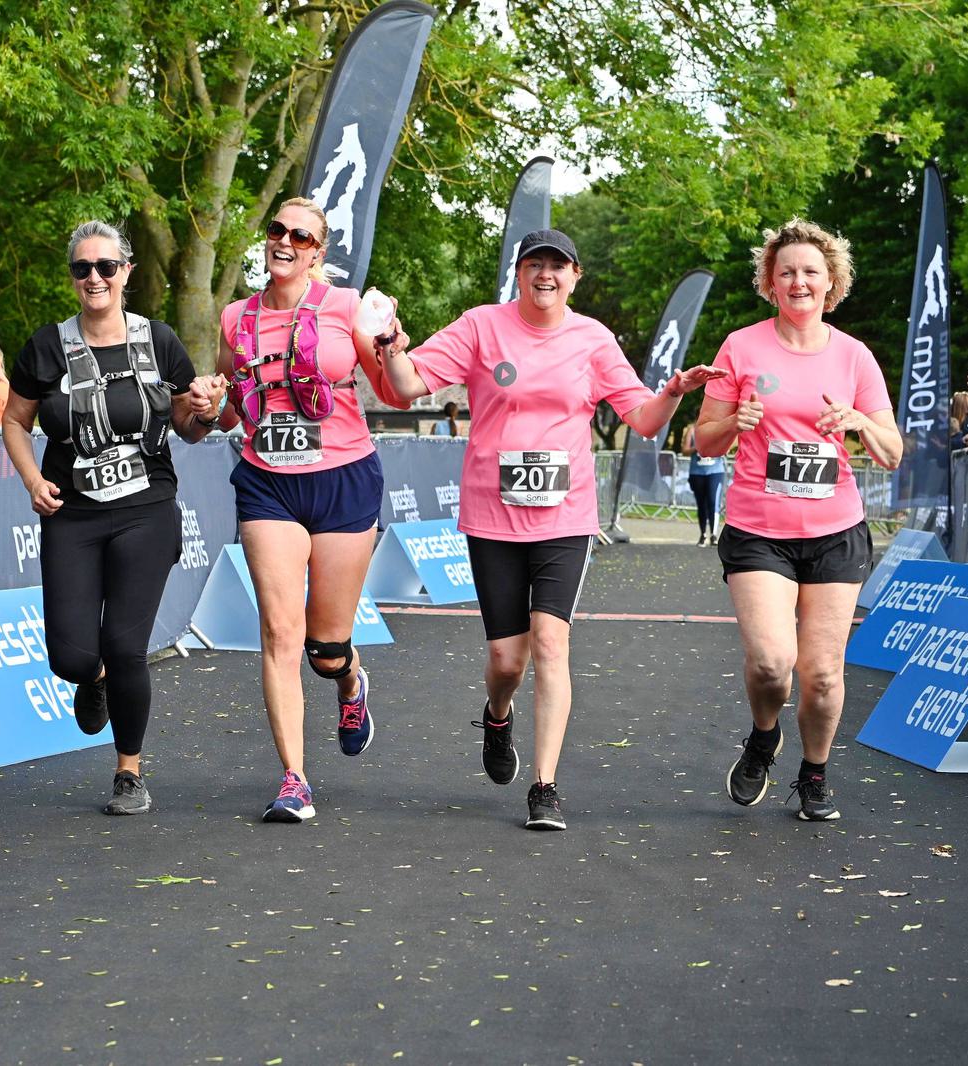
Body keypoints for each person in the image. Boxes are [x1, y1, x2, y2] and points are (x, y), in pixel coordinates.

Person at [377, 228, 726, 830]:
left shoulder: (593, 340)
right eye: (535, 264)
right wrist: (387, 344)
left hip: (564, 520)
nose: (546, 275)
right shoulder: (482, 326)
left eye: (558, 267)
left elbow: (642, 420)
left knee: (552, 644)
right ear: (519, 273)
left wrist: (671, 391)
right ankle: (496, 713)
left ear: (575, 276)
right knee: (506, 660)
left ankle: (545, 786)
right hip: (492, 515)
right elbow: (408, 386)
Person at [2, 220, 225, 816]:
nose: (94, 278)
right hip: (71, 513)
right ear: (72, 277)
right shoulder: (46, 346)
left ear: (126, 272)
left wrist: (205, 411)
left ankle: (129, 771)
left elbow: (189, 427)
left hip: (145, 509)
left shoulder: (159, 342)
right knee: (70, 657)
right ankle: (92, 675)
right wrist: (31, 479)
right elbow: (14, 421)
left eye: (106, 267)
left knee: (127, 645)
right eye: (83, 268)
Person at [692, 218, 902, 822]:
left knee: (822, 676)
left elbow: (892, 450)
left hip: (836, 532)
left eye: (811, 271)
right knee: (769, 663)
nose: (799, 281)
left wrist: (861, 425)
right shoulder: (742, 347)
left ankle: (814, 773)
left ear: (831, 281)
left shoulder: (855, 356)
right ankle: (763, 736)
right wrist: (736, 423)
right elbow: (703, 440)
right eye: (786, 271)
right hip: (760, 530)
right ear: (770, 281)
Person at [208, 196, 407, 824]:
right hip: (268, 484)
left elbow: (397, 393)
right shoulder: (234, 317)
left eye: (301, 235)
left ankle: (350, 682)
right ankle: (294, 778)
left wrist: (395, 342)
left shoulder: (348, 309)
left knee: (325, 649)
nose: (285, 241)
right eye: (277, 230)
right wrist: (201, 404)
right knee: (279, 633)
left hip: (344, 479)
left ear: (318, 252)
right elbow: (228, 409)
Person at [681, 420, 726, 545]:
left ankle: (714, 534)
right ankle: (703, 535)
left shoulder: (718, 427)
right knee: (701, 504)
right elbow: (684, 450)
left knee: (713, 501)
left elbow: (726, 447)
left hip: (715, 471)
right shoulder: (692, 430)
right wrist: (697, 448)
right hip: (697, 472)